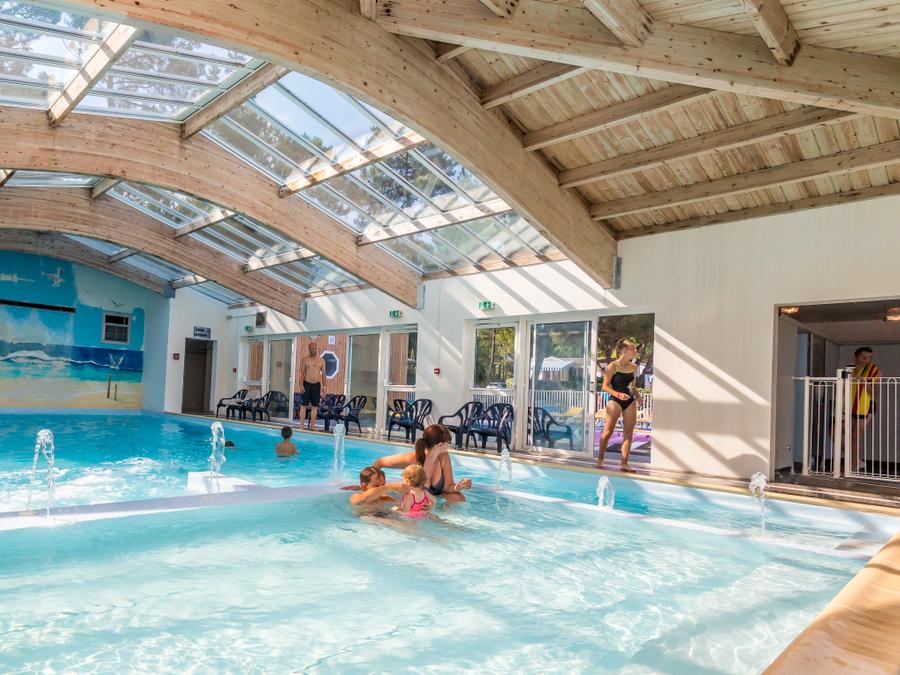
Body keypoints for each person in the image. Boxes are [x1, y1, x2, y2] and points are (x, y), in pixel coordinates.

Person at [374, 424, 472, 502]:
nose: (449, 445)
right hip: (418, 497)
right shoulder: (413, 459)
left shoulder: (444, 457)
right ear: (440, 445)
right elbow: (380, 462)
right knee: (421, 499)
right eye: (449, 442)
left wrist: (458, 486)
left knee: (459, 497)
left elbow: (447, 487)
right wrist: (373, 486)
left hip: (435, 496)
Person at [596, 339, 642, 473]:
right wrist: (618, 395)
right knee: (608, 431)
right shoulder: (612, 366)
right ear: (623, 351)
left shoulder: (634, 367)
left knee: (628, 433)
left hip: (629, 401)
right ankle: (600, 459)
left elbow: (632, 387)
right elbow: (605, 387)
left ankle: (624, 463)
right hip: (615, 400)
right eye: (633, 349)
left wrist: (638, 395)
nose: (635, 351)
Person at [850, 346, 880, 472]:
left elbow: (875, 393)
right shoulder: (850, 369)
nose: (866, 360)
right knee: (840, 432)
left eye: (869, 357)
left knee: (856, 435)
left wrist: (864, 382)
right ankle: (856, 461)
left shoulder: (873, 370)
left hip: (866, 406)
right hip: (849, 406)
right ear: (856, 356)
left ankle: (854, 466)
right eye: (863, 357)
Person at [299, 342, 326, 430]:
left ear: (316, 348)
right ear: (309, 349)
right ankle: (302, 426)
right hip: (306, 384)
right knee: (303, 405)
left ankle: (312, 426)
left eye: (313, 348)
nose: (312, 350)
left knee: (315, 406)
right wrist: (301, 385)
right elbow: (302, 374)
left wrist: (324, 387)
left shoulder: (321, 361)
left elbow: (324, 374)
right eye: (311, 349)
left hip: (316, 385)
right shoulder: (305, 360)